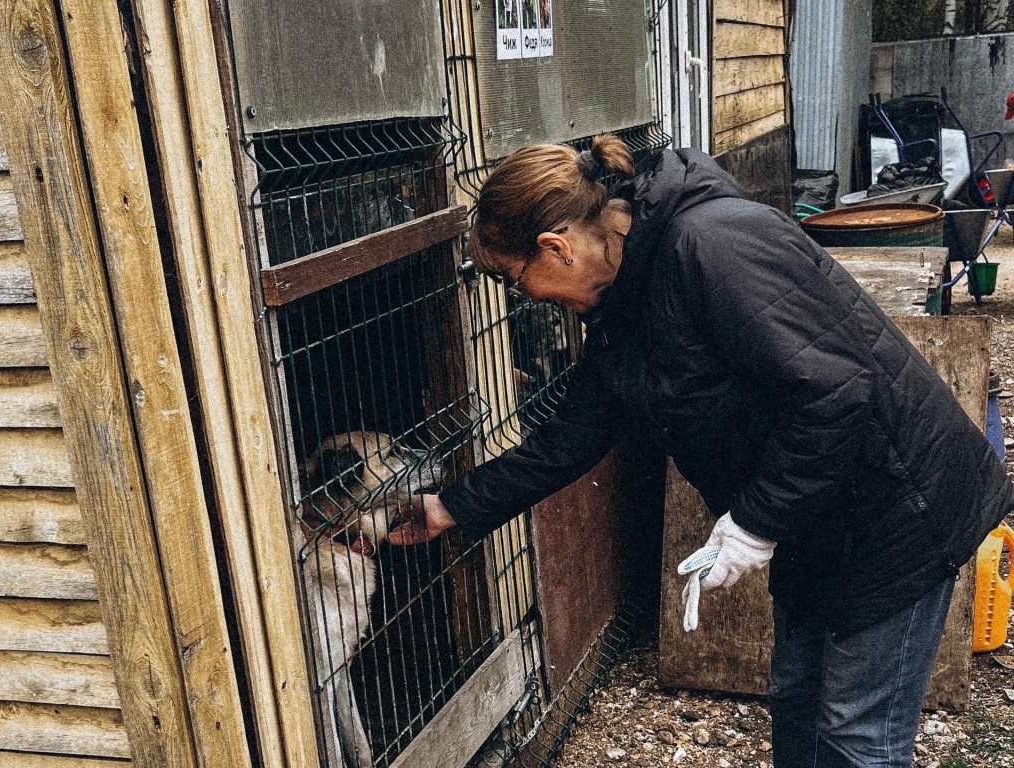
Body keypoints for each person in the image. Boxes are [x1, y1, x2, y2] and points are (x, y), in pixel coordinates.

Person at [386, 135, 1014, 767]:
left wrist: (754, 525)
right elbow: (572, 435)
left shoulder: (712, 246)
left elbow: (837, 396)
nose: (528, 297)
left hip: (901, 505)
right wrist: (454, 506)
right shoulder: (622, 299)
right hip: (820, 512)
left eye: (515, 280)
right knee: (797, 701)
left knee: (856, 732)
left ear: (556, 247)